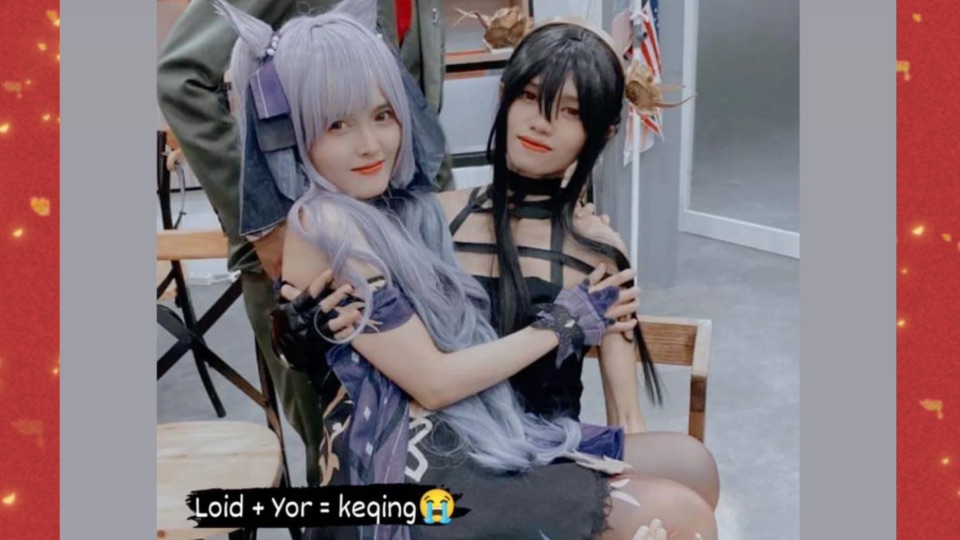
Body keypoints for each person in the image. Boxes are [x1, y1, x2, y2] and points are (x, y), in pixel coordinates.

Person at [222, 0, 719, 538]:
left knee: (694, 466)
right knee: (681, 511)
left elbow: (627, 414)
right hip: (434, 458)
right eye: (529, 96)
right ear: (503, 97)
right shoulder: (428, 218)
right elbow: (409, 372)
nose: (542, 122)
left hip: (510, 435)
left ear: (603, 132)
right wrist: (300, 337)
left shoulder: (597, 250)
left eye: (572, 111)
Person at [156, 0, 451, 488]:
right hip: (318, 261)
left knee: (429, 443)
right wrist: (267, 221)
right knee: (344, 455)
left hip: (408, 238)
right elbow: (181, 78)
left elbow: (413, 94)